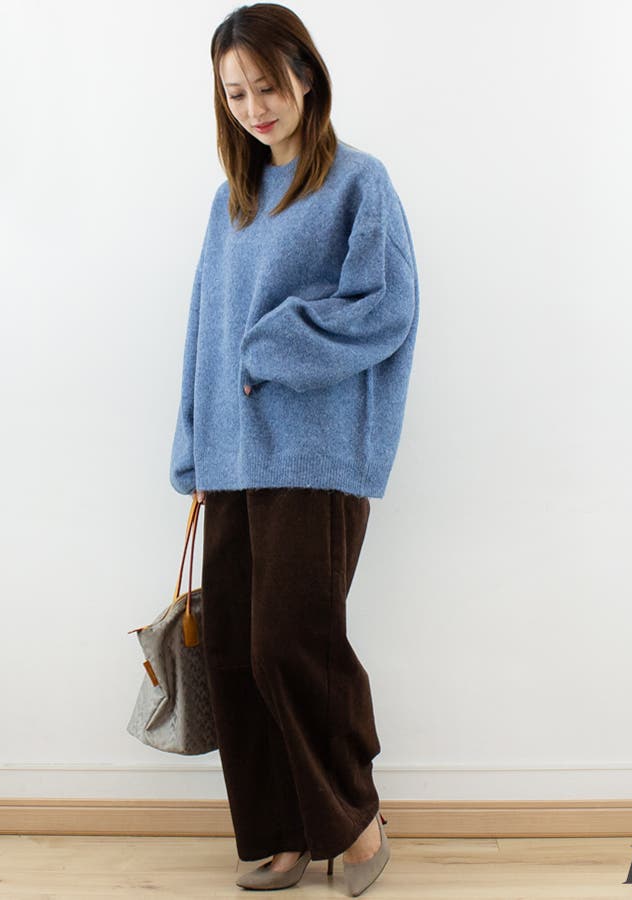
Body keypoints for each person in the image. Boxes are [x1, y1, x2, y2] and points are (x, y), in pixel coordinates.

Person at [168, 3, 419, 895]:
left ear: (306, 76)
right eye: (235, 93)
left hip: (316, 455)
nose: (254, 107)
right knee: (236, 652)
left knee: (291, 644)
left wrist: (274, 342)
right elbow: (205, 334)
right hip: (233, 459)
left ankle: (352, 820)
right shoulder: (229, 203)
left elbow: (385, 309)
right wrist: (194, 452)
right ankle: (279, 831)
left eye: (267, 86)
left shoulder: (359, 183)